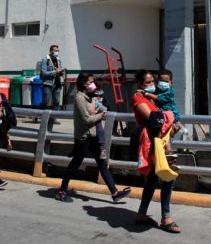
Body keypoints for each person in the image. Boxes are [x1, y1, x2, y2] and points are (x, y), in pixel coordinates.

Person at [55, 73, 131, 204]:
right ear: (84, 83)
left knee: (102, 164)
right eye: (90, 82)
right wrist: (101, 116)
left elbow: (92, 113)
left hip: (94, 137)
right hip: (84, 138)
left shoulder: (90, 97)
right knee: (75, 164)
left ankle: (115, 192)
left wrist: (99, 109)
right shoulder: (80, 98)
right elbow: (86, 119)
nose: (93, 84)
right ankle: (61, 191)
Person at [132, 70, 181, 233]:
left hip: (160, 141)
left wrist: (170, 125)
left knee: (152, 180)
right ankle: (166, 218)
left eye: (153, 81)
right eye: (148, 82)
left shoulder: (152, 98)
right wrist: (169, 121)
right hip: (153, 145)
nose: (152, 84)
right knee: (168, 177)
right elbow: (155, 120)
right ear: (140, 84)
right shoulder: (138, 98)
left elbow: (163, 120)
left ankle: (141, 213)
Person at [40, 44, 65, 121]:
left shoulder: (58, 60)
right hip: (48, 83)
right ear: (51, 51)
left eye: (57, 50)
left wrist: (61, 72)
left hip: (57, 83)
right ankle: (40, 115)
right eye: (55, 50)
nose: (56, 52)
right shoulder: (45, 60)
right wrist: (55, 72)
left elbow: (59, 70)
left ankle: (53, 118)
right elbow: (43, 72)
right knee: (45, 101)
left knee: (56, 101)